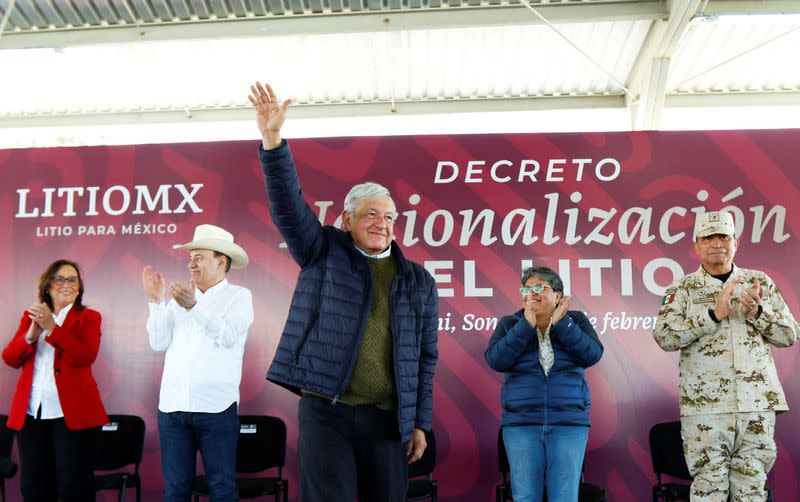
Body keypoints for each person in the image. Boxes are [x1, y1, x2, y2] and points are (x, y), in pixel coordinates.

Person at [249, 81, 439, 502]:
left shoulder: (417, 281)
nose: (382, 223)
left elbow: (425, 358)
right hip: (326, 414)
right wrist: (272, 140)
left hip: (387, 420)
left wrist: (420, 422)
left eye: (389, 216)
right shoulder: (322, 250)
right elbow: (287, 205)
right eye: (370, 213)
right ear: (346, 219)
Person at [653, 210, 799, 502]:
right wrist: (712, 315)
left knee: (751, 491)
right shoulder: (682, 289)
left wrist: (758, 313)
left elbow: (789, 335)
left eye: (724, 236)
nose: (717, 243)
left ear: (736, 242)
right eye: (709, 237)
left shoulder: (760, 282)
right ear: (697, 245)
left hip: (755, 405)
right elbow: (664, 337)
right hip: (706, 408)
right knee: (708, 490)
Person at [142, 224, 254, 502]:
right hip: (172, 408)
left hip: (216, 409)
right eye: (190, 257)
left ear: (221, 261)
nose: (191, 262)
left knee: (222, 488)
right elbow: (158, 343)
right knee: (176, 490)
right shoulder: (178, 299)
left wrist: (195, 307)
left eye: (199, 256)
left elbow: (227, 337)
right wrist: (156, 303)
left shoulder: (239, 297)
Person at [485, 266, 603, 502]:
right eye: (527, 288)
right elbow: (496, 360)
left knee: (565, 497)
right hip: (521, 425)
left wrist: (561, 326)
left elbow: (593, 355)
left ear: (558, 296)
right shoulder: (510, 323)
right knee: (526, 497)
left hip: (569, 423)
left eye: (540, 287)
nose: (533, 292)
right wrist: (525, 327)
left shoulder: (576, 321)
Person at [2, 259, 108, 502]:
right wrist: (30, 335)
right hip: (31, 415)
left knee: (74, 487)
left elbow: (85, 357)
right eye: (60, 278)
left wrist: (52, 329)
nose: (67, 284)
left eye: (73, 280)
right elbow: (10, 358)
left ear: (79, 287)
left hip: (73, 416)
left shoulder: (89, 317)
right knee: (35, 487)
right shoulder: (31, 316)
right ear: (48, 285)